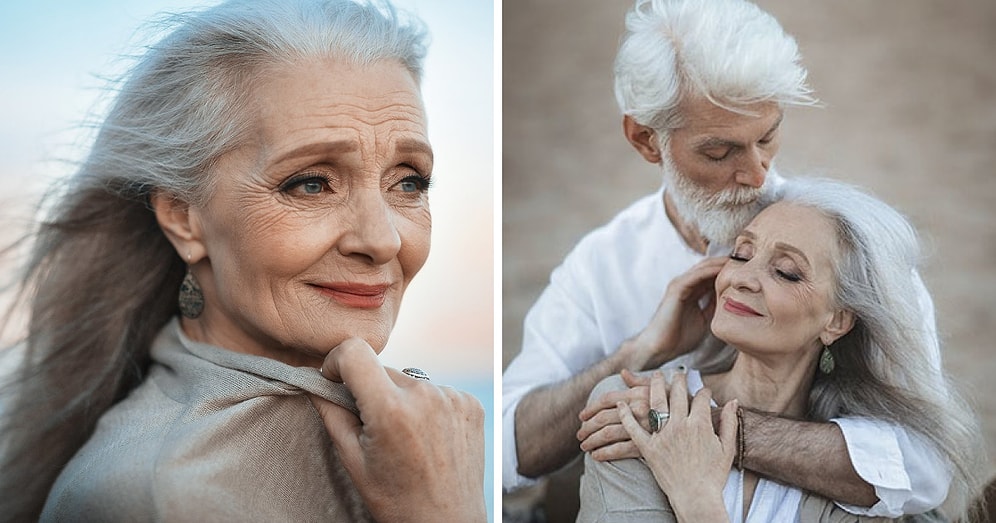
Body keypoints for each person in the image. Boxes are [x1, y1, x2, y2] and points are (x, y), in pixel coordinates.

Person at [0, 0, 486, 521]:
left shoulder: (416, 430)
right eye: (311, 184)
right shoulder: (157, 498)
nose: (383, 240)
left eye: (408, 182)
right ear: (183, 217)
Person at [502, 0, 950, 517]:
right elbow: (510, 450)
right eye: (720, 152)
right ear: (646, 140)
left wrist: (701, 427)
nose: (758, 173)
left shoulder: (852, 251)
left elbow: (922, 466)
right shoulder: (602, 265)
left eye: (768, 136)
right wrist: (640, 353)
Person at [576, 178, 987, 522]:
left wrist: (697, 500)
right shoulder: (636, 406)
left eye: (786, 272)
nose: (743, 278)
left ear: (837, 321)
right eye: (741, 254)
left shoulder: (859, 472)